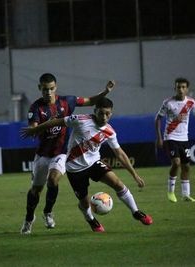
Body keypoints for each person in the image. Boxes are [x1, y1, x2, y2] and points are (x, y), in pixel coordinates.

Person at [21, 97, 153, 232]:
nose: (104, 117)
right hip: (75, 169)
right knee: (84, 202)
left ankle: (136, 212)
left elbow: (120, 154)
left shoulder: (110, 131)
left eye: (107, 113)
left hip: (94, 163)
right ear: (95, 111)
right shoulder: (80, 120)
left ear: (111, 114)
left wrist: (135, 175)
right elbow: (56, 122)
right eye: (101, 113)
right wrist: (35, 129)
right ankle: (91, 220)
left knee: (118, 183)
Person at [20, 73, 116, 234]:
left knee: (53, 179)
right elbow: (34, 126)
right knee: (36, 190)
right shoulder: (35, 107)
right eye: (45, 89)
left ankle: (48, 211)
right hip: (43, 154)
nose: (48, 92)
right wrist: (33, 129)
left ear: (55, 87)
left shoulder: (67, 101)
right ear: (40, 88)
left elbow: (90, 101)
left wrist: (105, 91)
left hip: (62, 152)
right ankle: (29, 218)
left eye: (51, 89)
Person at [155, 77, 195, 203]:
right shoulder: (168, 102)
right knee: (176, 163)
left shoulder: (191, 103)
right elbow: (158, 119)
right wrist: (159, 137)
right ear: (174, 88)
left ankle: (186, 195)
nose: (181, 90)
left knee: (186, 166)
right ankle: (170, 192)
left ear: (187, 89)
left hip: (184, 139)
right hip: (170, 137)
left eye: (183, 87)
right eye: (178, 87)